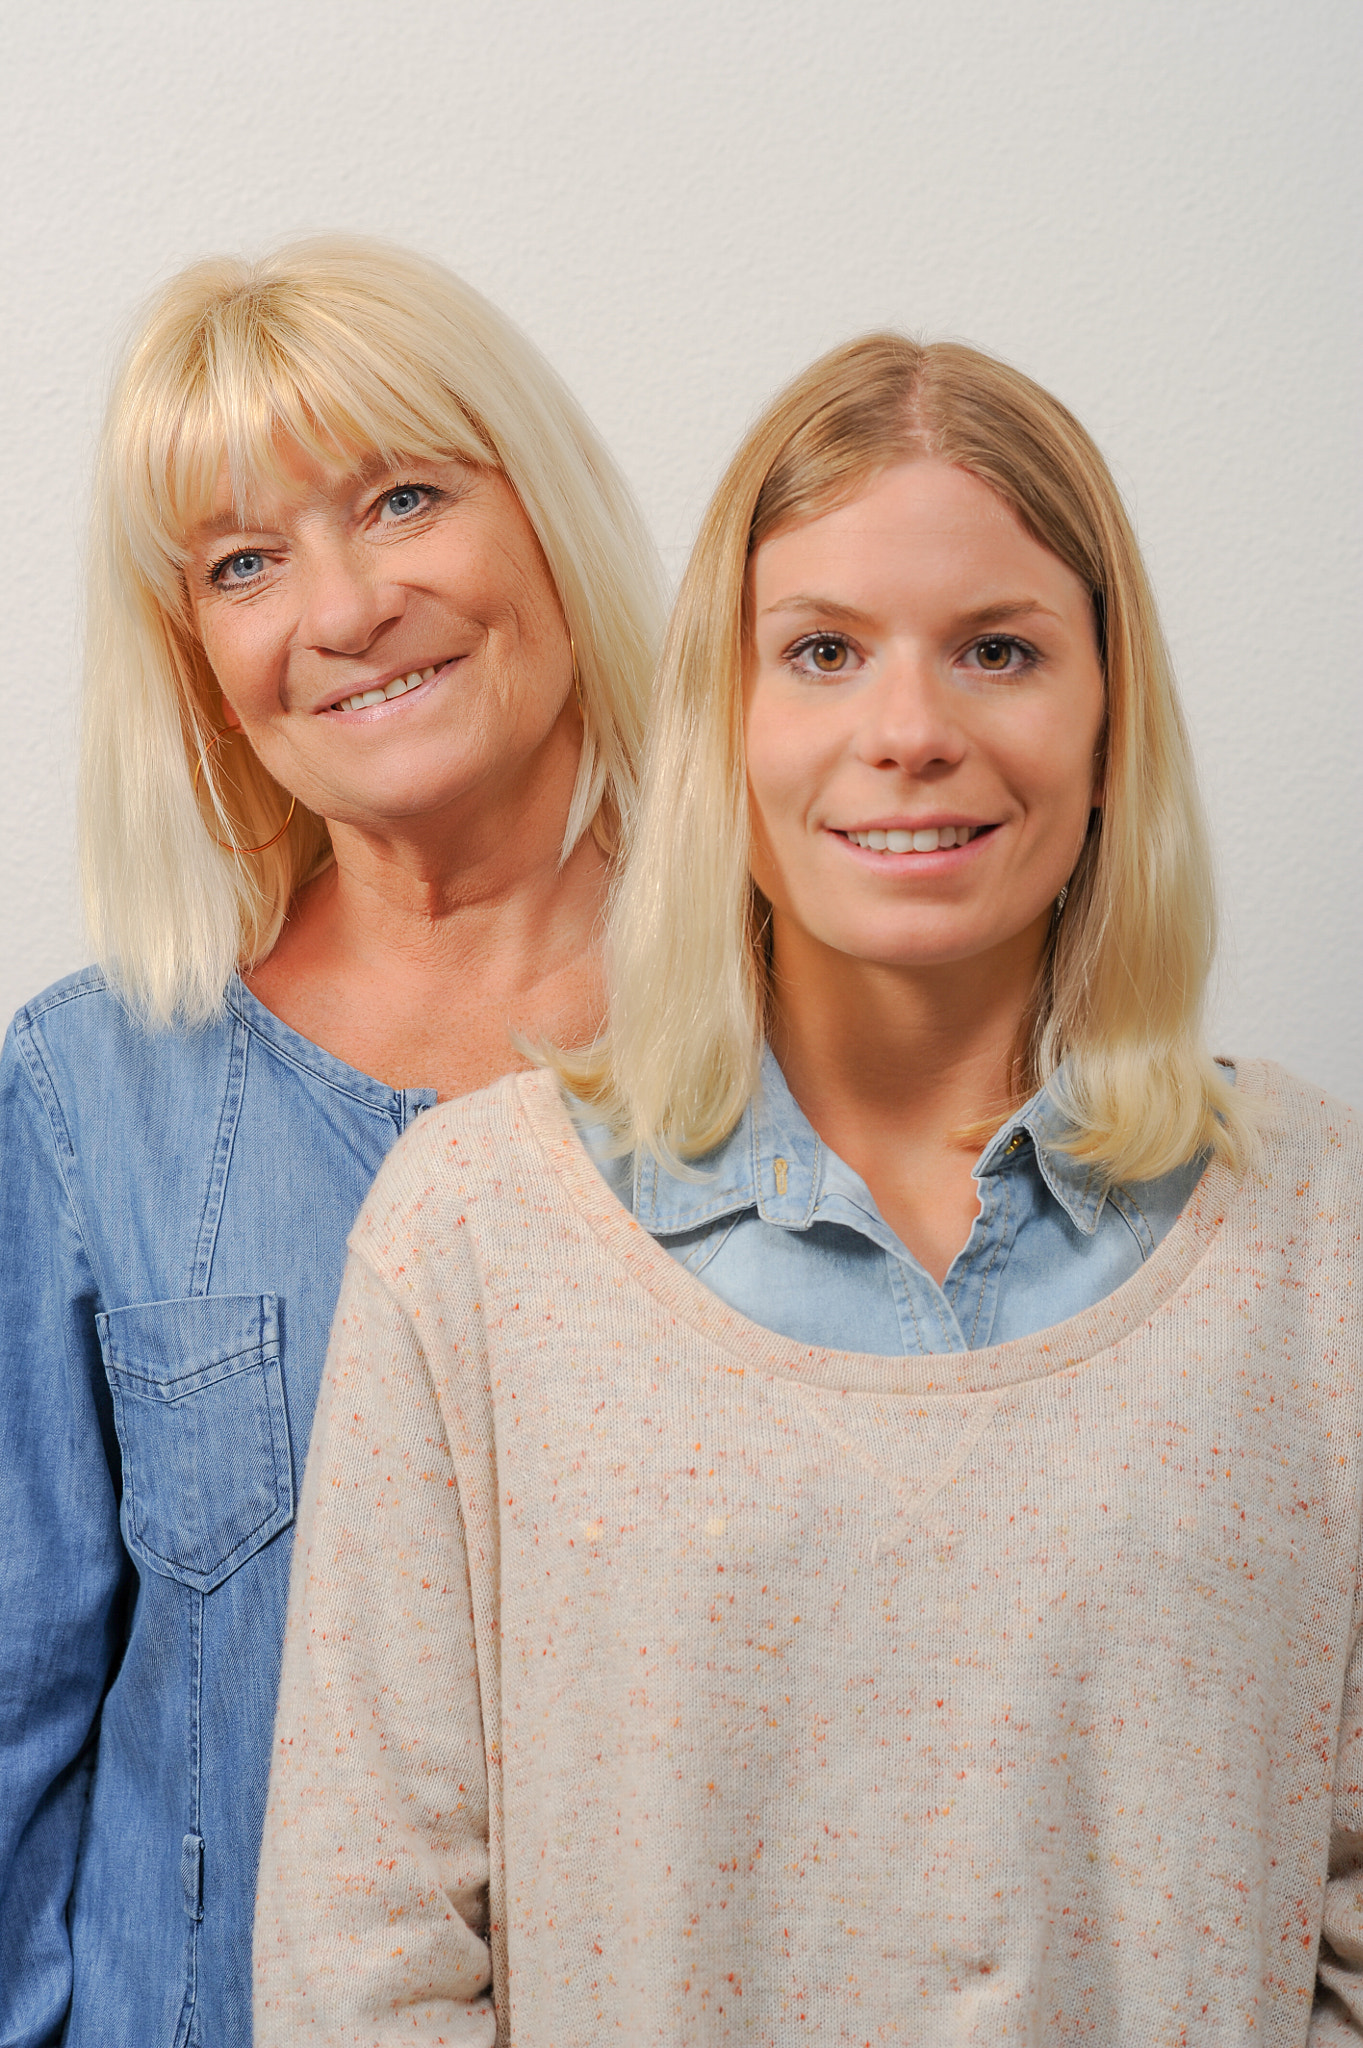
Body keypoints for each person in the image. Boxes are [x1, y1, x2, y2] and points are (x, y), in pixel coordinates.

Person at [254, 335, 1363, 2042]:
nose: (909, 733)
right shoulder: (473, 1235)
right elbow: (364, 1961)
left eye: (999, 650)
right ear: (726, 717)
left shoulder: (1320, 1240)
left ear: (1109, 714)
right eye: (825, 653)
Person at [0, 236, 661, 2048]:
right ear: (199, 660)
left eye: (406, 497)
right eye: (244, 562)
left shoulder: (805, 1034)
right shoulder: (87, 1097)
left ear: (546, 518)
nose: (347, 606)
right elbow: (14, 1711)